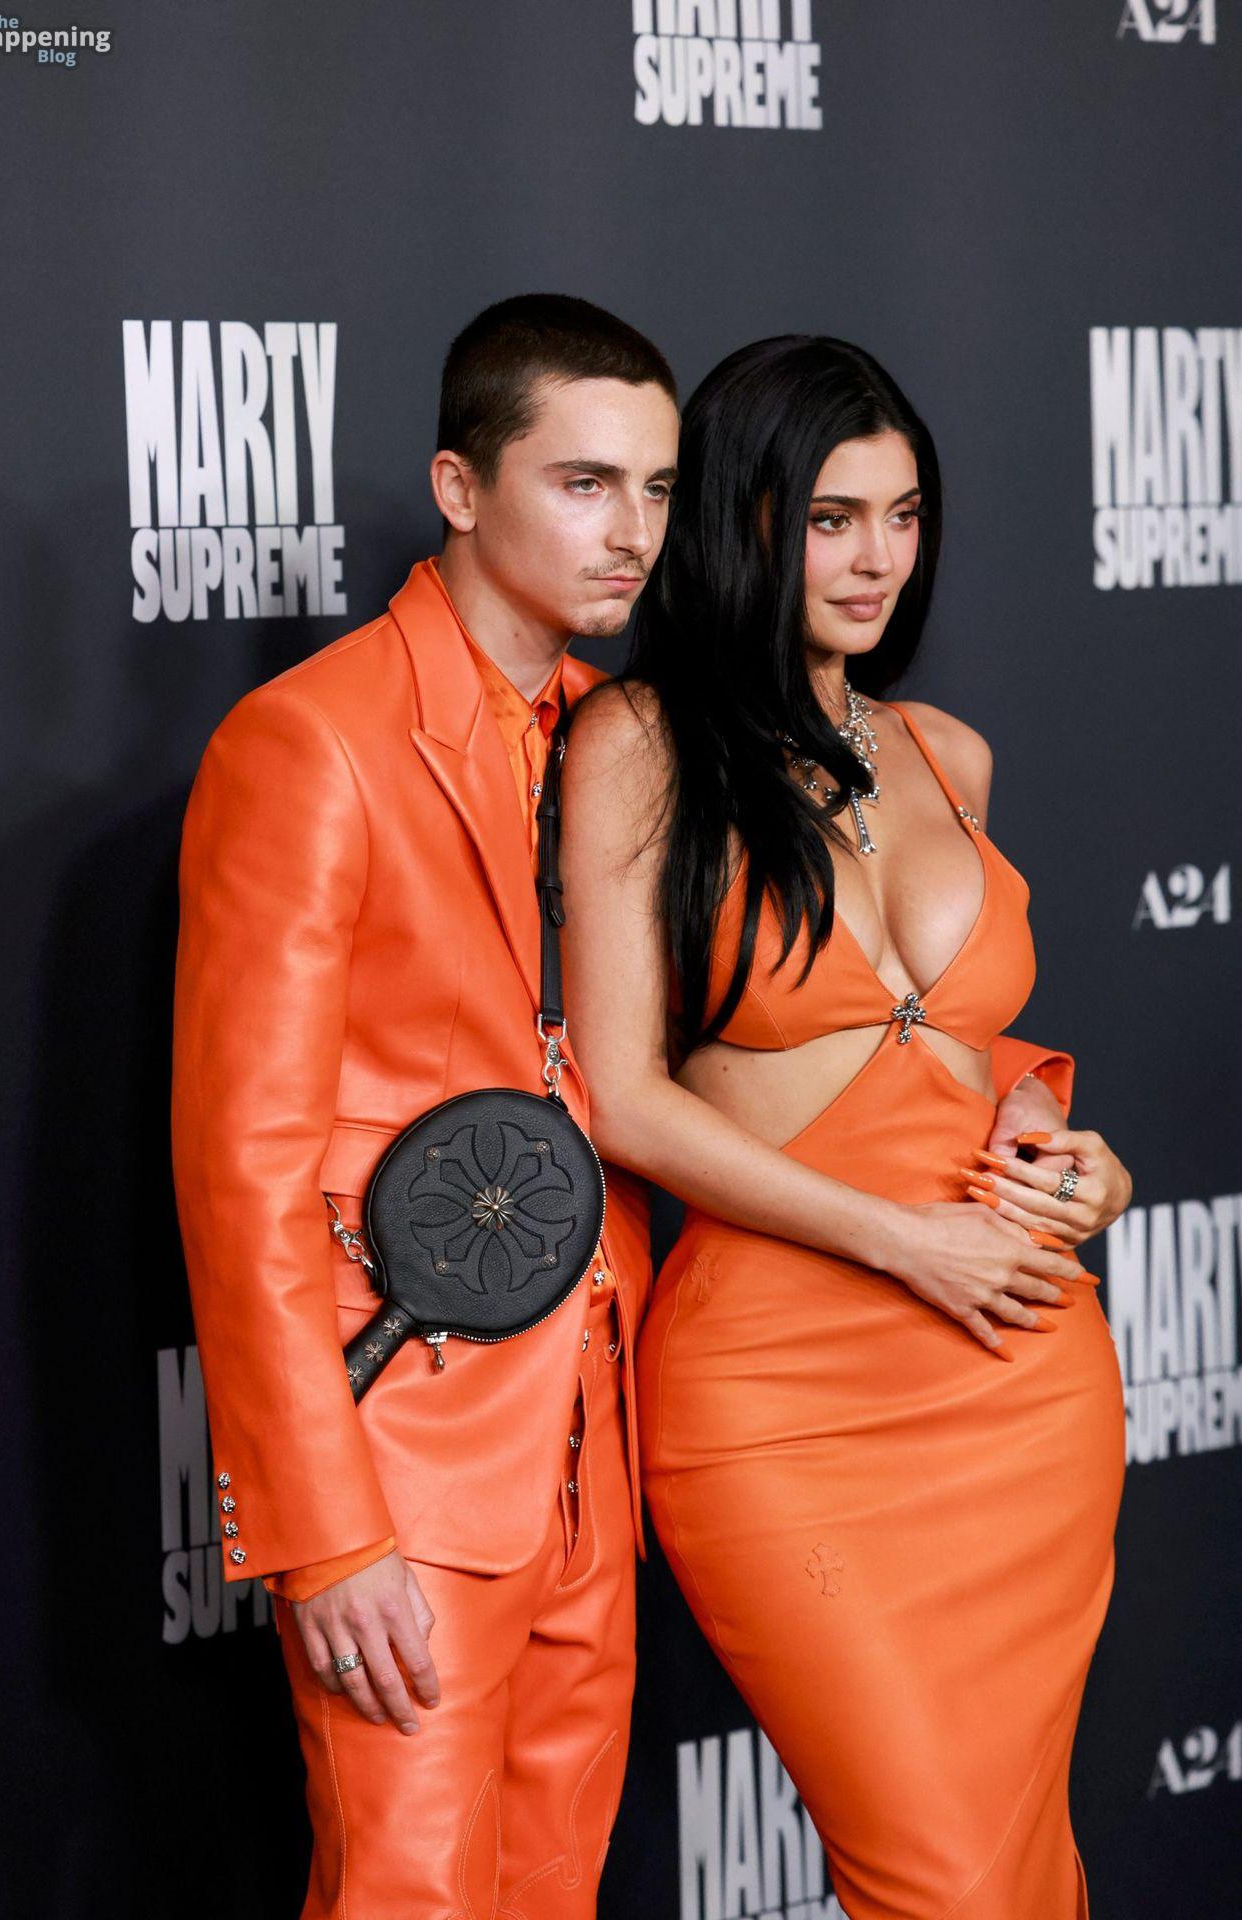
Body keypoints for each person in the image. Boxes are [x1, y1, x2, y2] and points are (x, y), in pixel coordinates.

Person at [559, 334, 1131, 1919]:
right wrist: (899, 1241)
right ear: (741, 519)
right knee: (937, 1876)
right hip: (785, 1402)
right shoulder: (638, 745)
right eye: (829, 519)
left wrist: (1069, 1154)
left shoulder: (948, 753)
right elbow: (621, 1096)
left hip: (1020, 1378)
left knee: (1017, 1868)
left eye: (902, 515)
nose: (877, 558)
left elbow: (955, 1050)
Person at [170, 294, 679, 1918]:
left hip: (595, 1434)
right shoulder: (309, 743)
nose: (632, 532)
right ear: (459, 488)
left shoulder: (619, 739)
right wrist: (324, 1533)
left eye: (656, 488)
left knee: (553, 1888)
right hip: (407, 1441)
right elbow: (242, 1168)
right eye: (584, 484)